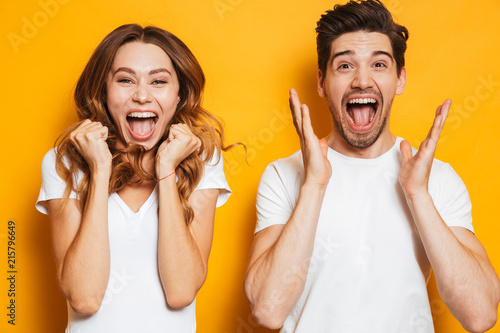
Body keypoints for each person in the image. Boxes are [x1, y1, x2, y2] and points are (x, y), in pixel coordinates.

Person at [244, 1, 500, 332]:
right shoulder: (284, 176)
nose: (362, 81)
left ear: (400, 79)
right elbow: (268, 310)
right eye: (345, 66)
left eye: (379, 64)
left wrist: (418, 195)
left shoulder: (437, 178)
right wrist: (314, 185)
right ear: (322, 82)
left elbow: (480, 315)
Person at [36, 24, 231, 332]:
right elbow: (84, 298)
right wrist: (99, 170)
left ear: (179, 94)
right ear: (104, 90)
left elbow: (181, 292)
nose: (142, 95)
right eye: (125, 80)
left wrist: (166, 169)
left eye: (158, 81)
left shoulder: (203, 163)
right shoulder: (64, 163)